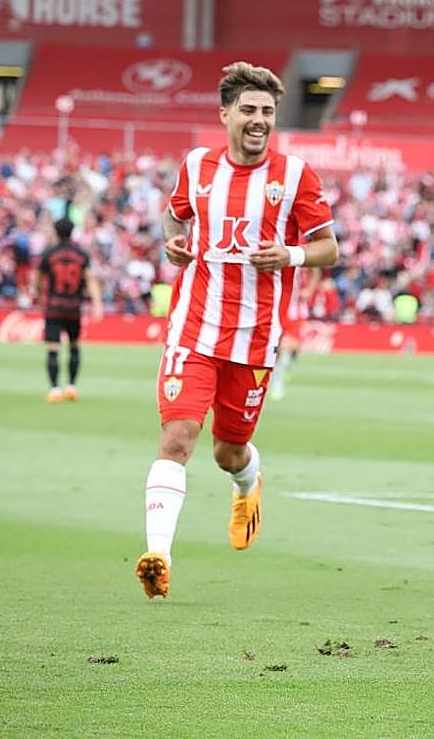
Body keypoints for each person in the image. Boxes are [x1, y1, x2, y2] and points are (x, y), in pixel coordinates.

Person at [135, 62, 338, 599]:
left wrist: (290, 253)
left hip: (254, 340)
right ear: (224, 114)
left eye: (268, 112)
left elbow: (329, 247)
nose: (259, 120)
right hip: (192, 330)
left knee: (229, 450)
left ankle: (248, 482)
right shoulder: (197, 166)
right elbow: (174, 216)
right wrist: (173, 242)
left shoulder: (295, 176)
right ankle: (159, 554)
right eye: (248, 110)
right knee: (178, 437)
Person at [33, 217, 103, 403]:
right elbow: (90, 279)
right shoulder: (81, 254)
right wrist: (97, 303)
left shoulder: (49, 253)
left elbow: (38, 278)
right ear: (72, 232)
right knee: (74, 345)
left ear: (56, 232)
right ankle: (71, 386)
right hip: (74, 306)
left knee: (53, 347)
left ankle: (55, 389)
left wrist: (39, 296)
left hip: (54, 306)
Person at [270, 267, 321, 401]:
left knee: (292, 347)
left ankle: (286, 369)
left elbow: (316, 270)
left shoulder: (304, 249)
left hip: (296, 310)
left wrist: (310, 290)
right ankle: (277, 383)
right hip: (278, 307)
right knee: (280, 347)